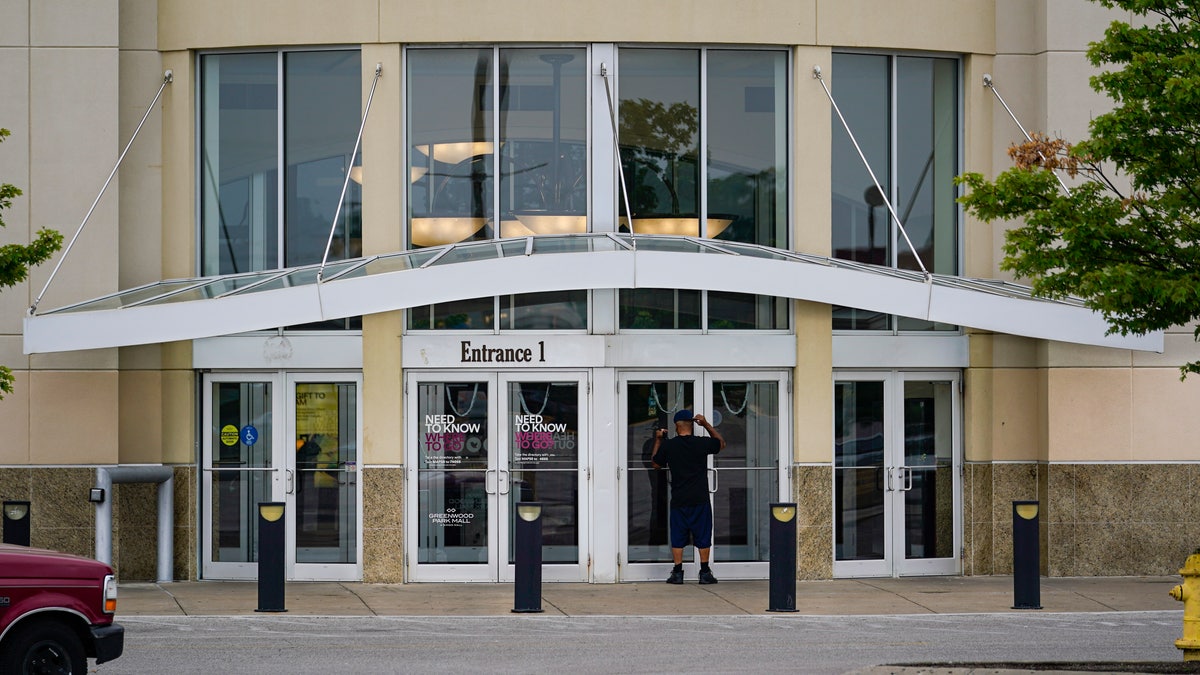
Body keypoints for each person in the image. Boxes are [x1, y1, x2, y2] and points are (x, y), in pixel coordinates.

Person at [651, 408, 726, 585]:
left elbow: (655, 463)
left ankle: (677, 572)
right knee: (703, 534)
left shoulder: (670, 446)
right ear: (692, 426)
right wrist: (707, 424)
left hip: (679, 499)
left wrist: (658, 440)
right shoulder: (701, 443)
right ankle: (705, 572)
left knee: (678, 535)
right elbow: (721, 444)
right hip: (700, 498)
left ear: (677, 427)